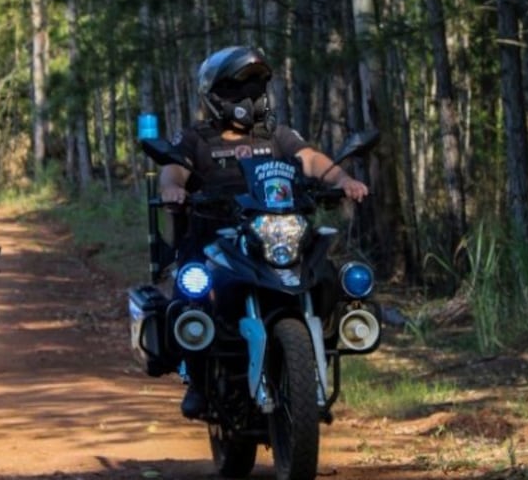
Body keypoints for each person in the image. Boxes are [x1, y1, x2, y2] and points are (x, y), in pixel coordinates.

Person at [157, 45, 369, 418]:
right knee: (191, 283)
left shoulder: (277, 136)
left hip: (274, 236)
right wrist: (172, 189)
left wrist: (343, 179)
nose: (249, 99)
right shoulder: (196, 138)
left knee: (327, 272)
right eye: (238, 90)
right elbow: (174, 170)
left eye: (256, 89)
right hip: (216, 240)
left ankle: (318, 352)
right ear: (215, 94)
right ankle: (199, 377)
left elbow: (312, 160)